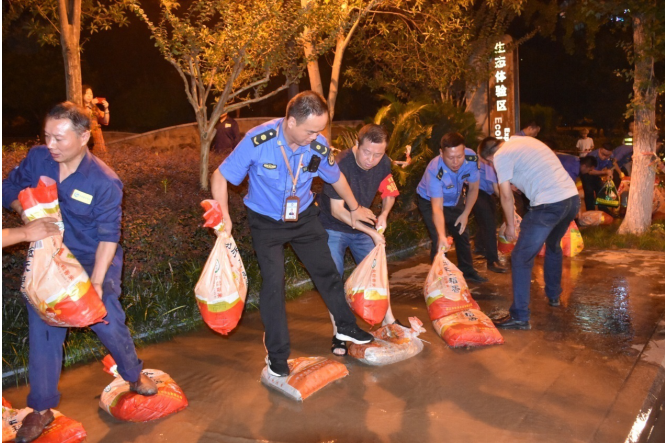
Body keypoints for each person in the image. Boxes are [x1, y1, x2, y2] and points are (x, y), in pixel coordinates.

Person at [2, 102, 157, 443]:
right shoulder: (39, 159)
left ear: (84, 136)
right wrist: (25, 212)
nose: (51, 145)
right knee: (44, 324)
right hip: (50, 257)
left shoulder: (104, 181)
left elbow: (108, 236)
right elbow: (9, 188)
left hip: (92, 259)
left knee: (106, 318)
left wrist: (98, 283)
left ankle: (132, 373)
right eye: (46, 136)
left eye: (59, 138)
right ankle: (41, 407)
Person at [211, 91, 374, 377]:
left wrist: (355, 207)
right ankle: (277, 355)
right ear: (291, 122)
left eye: (319, 130)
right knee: (274, 284)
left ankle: (346, 327)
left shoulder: (318, 145)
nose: (316, 136)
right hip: (266, 221)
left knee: (327, 271)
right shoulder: (258, 140)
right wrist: (223, 214)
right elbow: (220, 176)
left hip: (303, 216)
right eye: (311, 131)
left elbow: (336, 177)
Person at [479, 136, 580, 330]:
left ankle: (519, 316)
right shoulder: (523, 141)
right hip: (571, 200)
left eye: (489, 164)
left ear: (489, 157)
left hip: (549, 205)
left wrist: (510, 225)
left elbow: (506, 196)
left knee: (520, 257)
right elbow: (537, 170)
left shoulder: (500, 155)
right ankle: (554, 295)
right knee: (553, 245)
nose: (492, 166)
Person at [318, 124, 400, 356]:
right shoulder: (340, 164)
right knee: (334, 279)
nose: (371, 160)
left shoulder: (383, 162)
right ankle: (340, 332)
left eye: (378, 154)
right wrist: (372, 233)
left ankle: (390, 321)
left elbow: (389, 192)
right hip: (333, 226)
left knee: (378, 273)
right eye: (367, 152)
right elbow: (337, 211)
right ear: (357, 144)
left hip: (361, 226)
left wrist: (384, 214)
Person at [416, 132, 488, 283]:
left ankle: (467, 271)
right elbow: (437, 209)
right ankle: (440, 278)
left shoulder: (471, 158)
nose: (456, 162)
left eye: (459, 156)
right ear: (441, 153)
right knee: (439, 239)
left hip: (455, 198)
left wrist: (466, 213)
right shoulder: (434, 171)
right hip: (430, 201)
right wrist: (442, 235)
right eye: (450, 158)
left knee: (462, 232)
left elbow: (473, 189)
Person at [471, 154, 508, 274]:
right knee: (489, 226)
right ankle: (492, 261)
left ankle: (479, 247)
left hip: (485, 193)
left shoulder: (494, 161)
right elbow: (496, 188)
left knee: (487, 222)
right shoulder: (490, 162)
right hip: (477, 192)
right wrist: (508, 202)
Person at [580, 142, 619, 211]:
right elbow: (590, 171)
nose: (604, 157)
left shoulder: (611, 156)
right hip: (586, 174)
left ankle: (603, 210)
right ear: (600, 149)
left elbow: (611, 167)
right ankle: (590, 211)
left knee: (601, 190)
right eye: (603, 154)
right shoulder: (592, 156)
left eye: (607, 155)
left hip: (597, 174)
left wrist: (610, 174)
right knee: (589, 192)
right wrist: (605, 172)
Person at [82, 85, 109, 152]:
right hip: (86, 139)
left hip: (97, 137)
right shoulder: (79, 107)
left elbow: (105, 121)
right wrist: (90, 106)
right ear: (82, 94)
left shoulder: (95, 108)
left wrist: (106, 108)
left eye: (91, 94)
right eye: (87, 93)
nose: (89, 96)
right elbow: (84, 118)